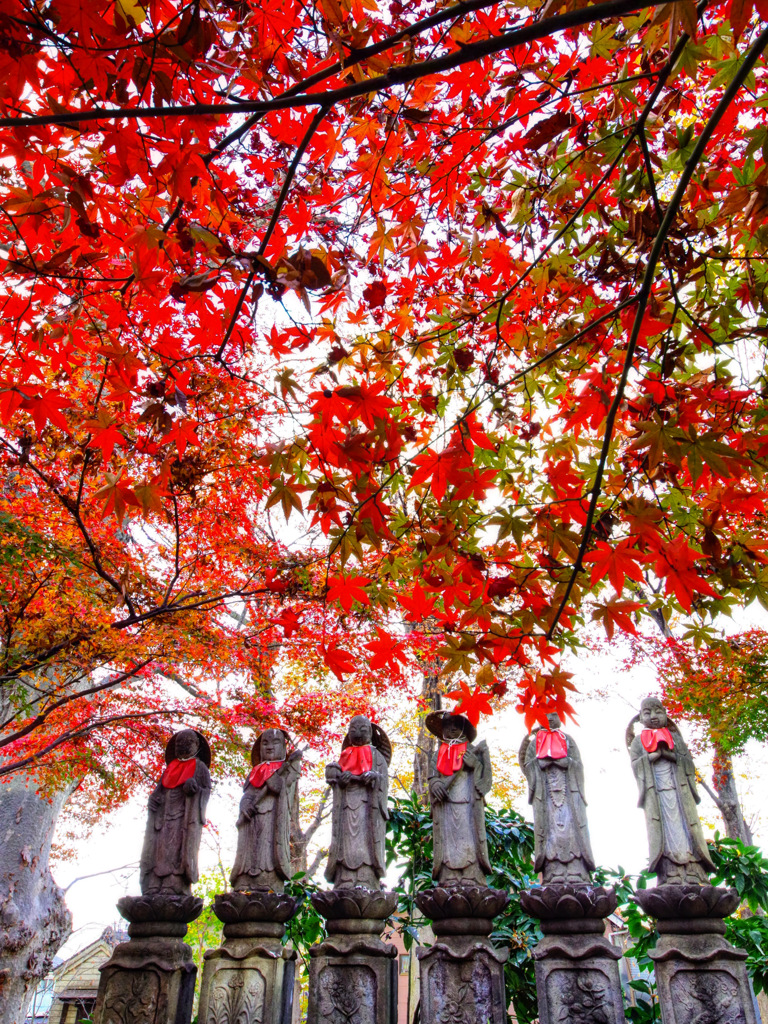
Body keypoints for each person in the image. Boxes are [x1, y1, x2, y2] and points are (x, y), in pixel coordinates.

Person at [627, 697, 714, 885]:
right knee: (662, 830)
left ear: (666, 714)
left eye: (658, 712)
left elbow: (688, 762)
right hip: (656, 793)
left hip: (679, 792)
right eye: (648, 713)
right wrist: (651, 757)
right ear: (640, 718)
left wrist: (671, 756)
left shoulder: (675, 739)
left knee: (687, 828)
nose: (654, 716)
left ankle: (694, 871)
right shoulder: (637, 743)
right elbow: (636, 764)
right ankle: (670, 873)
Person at [519, 712, 595, 885]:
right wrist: (539, 765)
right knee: (550, 831)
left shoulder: (567, 739)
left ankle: (577, 871)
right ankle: (553, 873)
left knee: (572, 829)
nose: (551, 718)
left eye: (555, 714)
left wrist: (567, 763)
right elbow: (528, 765)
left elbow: (578, 765)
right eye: (546, 715)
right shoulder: (534, 743)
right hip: (546, 797)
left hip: (569, 795)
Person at [140, 729, 211, 895]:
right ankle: (154, 882)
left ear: (197, 746)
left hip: (183, 818)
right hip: (163, 818)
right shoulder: (170, 768)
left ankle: (173, 882)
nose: (182, 745)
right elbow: (159, 791)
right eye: (179, 743)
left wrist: (195, 789)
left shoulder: (200, 767)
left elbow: (206, 791)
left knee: (177, 849)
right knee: (160, 849)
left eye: (188, 742)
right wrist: (154, 800)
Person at [230, 728, 302, 893]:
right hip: (251, 820)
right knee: (250, 849)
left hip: (272, 817)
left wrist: (274, 778)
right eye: (265, 743)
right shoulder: (256, 771)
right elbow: (248, 793)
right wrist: (245, 804)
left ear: (283, 748)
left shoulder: (286, 769)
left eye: (275, 742)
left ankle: (267, 879)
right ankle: (245, 879)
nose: (269, 747)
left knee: (266, 848)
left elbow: (281, 788)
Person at [325, 715, 391, 889]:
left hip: (368, 806)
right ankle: (345, 878)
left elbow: (383, 780)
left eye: (363, 729)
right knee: (346, 840)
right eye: (353, 730)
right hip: (346, 805)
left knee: (364, 841)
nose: (358, 733)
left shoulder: (377, 756)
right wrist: (339, 780)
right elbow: (335, 778)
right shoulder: (344, 755)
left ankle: (365, 877)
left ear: (370, 732)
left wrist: (375, 777)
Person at [426, 711, 491, 887]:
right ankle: (449, 876)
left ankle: (472, 875)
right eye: (447, 725)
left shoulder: (472, 750)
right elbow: (432, 777)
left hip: (468, 805)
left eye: (456, 724)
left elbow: (485, 782)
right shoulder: (438, 753)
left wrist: (476, 765)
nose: (452, 728)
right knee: (448, 840)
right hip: (446, 806)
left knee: (469, 837)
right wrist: (435, 785)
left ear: (464, 727)